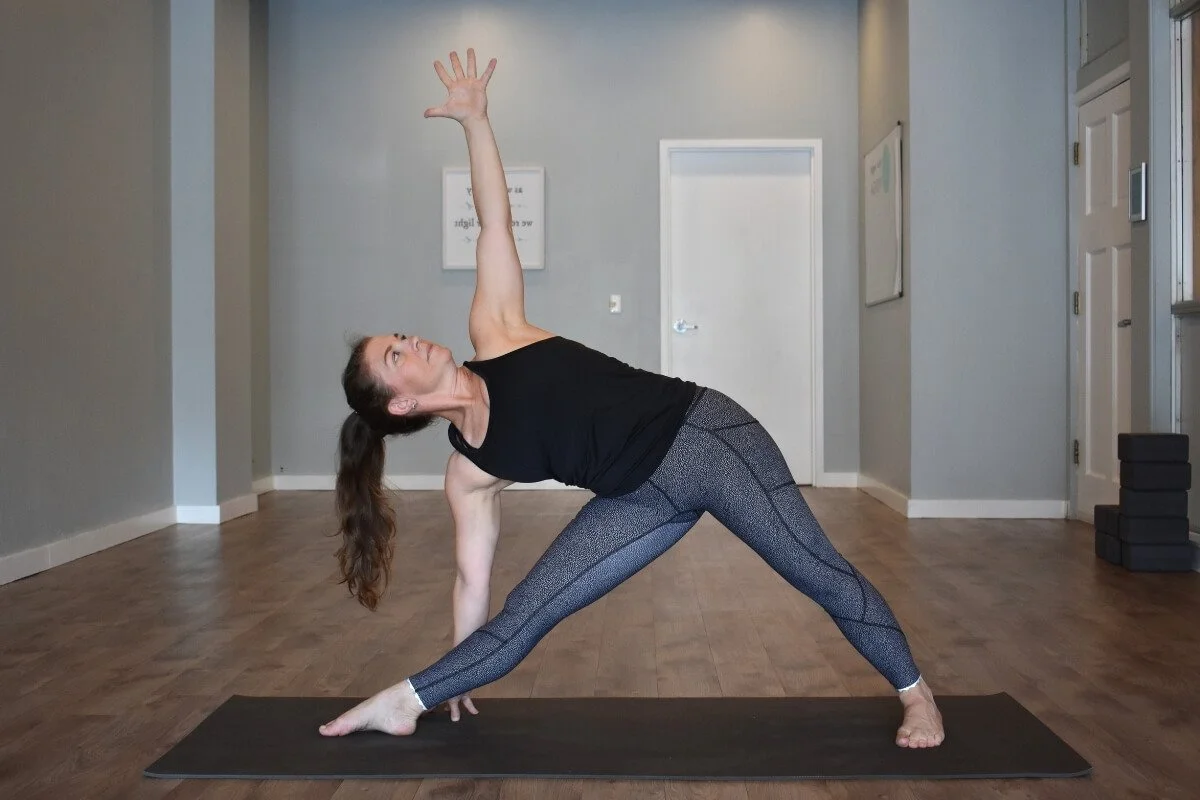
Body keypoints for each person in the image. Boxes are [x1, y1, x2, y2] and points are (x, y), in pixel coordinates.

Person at [318, 49, 945, 749]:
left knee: (817, 571)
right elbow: (473, 582)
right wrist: (459, 670)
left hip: (706, 439)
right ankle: (408, 699)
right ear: (399, 406)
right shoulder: (469, 472)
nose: (413, 344)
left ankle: (918, 697)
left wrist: (475, 122)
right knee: (529, 611)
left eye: (400, 336)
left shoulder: (495, 331)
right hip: (638, 498)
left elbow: (495, 221)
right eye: (395, 356)